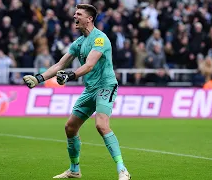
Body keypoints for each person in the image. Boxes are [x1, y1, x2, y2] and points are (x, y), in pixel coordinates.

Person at [22, 4, 131, 180]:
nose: (74, 16)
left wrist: (70, 75)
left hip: (106, 86)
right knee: (70, 128)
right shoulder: (79, 42)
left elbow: (89, 65)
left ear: (89, 19)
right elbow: (59, 65)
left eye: (78, 14)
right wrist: (38, 79)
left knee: (101, 125)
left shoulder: (99, 39)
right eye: (75, 13)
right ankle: (74, 170)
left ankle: (122, 170)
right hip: (90, 89)